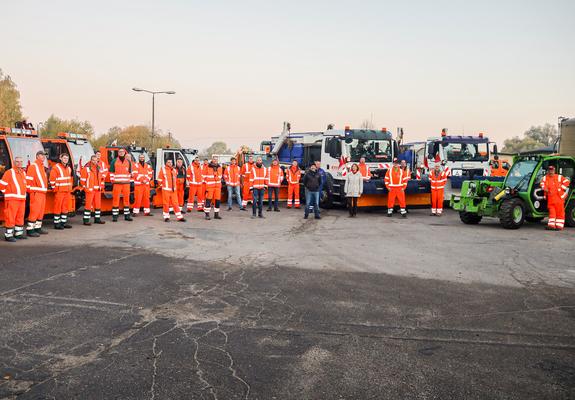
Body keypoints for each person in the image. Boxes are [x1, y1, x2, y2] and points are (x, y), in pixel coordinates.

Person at [0, 156, 28, 241]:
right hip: (12, 199)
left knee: (20, 217)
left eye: (21, 162)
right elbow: (2, 186)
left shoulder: (23, 173)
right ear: (14, 162)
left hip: (21, 199)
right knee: (10, 217)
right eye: (17, 161)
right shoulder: (9, 172)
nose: (19, 163)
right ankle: (8, 235)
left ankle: (18, 234)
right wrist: (9, 193)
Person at [25, 150, 49, 237]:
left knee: (40, 211)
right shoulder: (33, 166)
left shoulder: (42, 166)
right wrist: (31, 191)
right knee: (34, 211)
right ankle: (30, 230)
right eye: (42, 155)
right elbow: (28, 180)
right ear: (37, 156)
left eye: (44, 155)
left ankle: (38, 228)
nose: (44, 157)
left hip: (42, 193)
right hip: (36, 193)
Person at [541, 165, 570, 231]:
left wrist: (561, 188)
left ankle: (559, 226)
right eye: (549, 170)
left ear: (554, 170)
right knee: (552, 213)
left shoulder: (559, 177)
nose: (551, 171)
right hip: (551, 199)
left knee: (560, 213)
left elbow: (567, 182)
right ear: (548, 171)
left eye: (552, 170)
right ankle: (551, 226)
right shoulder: (545, 178)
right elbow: (542, 184)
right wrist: (545, 188)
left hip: (559, 199)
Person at [49, 153, 74, 229]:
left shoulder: (69, 168)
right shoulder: (56, 168)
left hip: (67, 191)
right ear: (60, 158)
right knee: (58, 207)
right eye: (64, 158)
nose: (65, 160)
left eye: (67, 158)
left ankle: (63, 223)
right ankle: (57, 224)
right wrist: (55, 189)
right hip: (59, 191)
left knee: (65, 207)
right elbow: (52, 180)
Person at [109, 148, 133, 222]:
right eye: (120, 152)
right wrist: (112, 181)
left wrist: (130, 182)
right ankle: (115, 217)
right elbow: (111, 172)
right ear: (118, 153)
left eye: (122, 152)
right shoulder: (114, 161)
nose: (121, 153)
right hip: (117, 184)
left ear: (124, 153)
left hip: (126, 184)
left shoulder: (128, 162)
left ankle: (127, 216)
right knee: (116, 200)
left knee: (126, 200)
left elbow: (130, 173)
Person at [80, 155, 106, 225]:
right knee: (88, 205)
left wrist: (102, 187)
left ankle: (97, 219)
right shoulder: (86, 169)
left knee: (98, 205)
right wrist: (85, 188)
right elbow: (82, 180)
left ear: (98, 161)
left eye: (96, 160)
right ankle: (86, 220)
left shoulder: (99, 168)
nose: (95, 161)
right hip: (90, 190)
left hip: (97, 190)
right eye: (93, 160)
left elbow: (102, 179)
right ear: (91, 160)